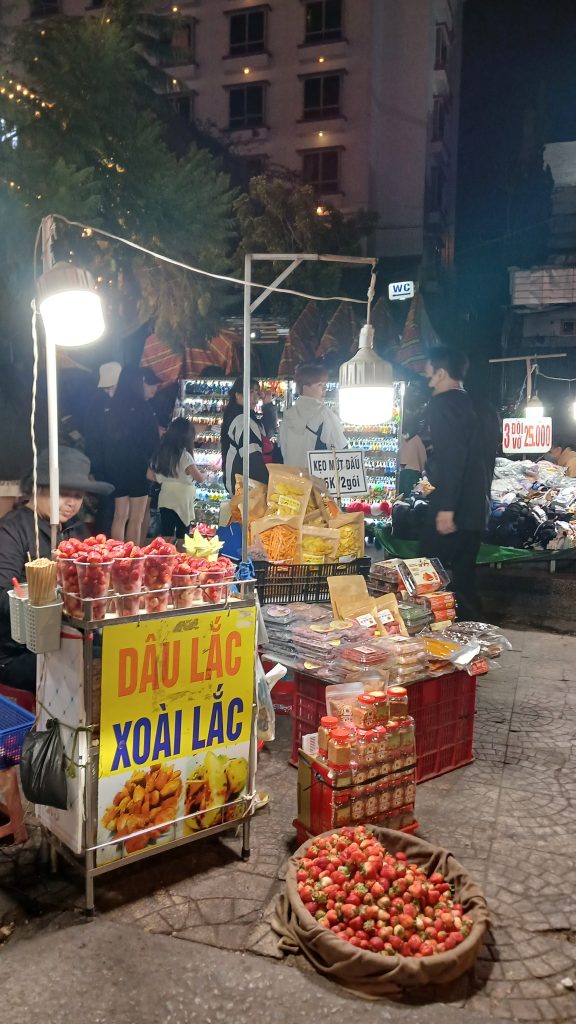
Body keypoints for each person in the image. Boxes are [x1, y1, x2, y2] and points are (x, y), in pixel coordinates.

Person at [0, 447, 113, 694]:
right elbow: (3, 596)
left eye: (78, 494)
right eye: (63, 492)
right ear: (39, 487)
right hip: (16, 653)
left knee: (113, 655)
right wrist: (53, 605)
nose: (71, 503)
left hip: (68, 638)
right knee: (92, 666)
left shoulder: (77, 532)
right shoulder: (12, 530)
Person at [419, 346, 492, 620]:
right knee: (464, 579)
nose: (426, 374)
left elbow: (452, 458)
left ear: (440, 373)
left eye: (428, 369)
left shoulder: (442, 404)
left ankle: (425, 637)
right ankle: (471, 637)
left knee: (421, 571)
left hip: (454, 506)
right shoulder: (479, 405)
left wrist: (446, 508)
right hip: (475, 506)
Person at [100, 365, 159, 543]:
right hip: (138, 467)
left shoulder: (112, 406)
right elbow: (152, 441)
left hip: (115, 467)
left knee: (120, 517)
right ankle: (132, 561)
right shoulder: (143, 407)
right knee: (136, 518)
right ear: (137, 382)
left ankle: (118, 557)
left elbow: (105, 439)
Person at [279, 363, 347, 470]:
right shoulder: (324, 414)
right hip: (317, 482)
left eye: (325, 385)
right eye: (320, 385)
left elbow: (281, 448)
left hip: (292, 481)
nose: (325, 389)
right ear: (305, 387)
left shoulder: (288, 415)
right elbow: (342, 450)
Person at [149, 418, 206, 542]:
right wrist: (206, 474)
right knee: (182, 537)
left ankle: (165, 558)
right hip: (183, 500)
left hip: (165, 496)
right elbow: (199, 479)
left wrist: (163, 478)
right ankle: (180, 559)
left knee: (166, 534)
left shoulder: (161, 453)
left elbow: (149, 475)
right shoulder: (185, 456)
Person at [84, 361, 122, 535]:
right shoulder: (98, 404)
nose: (109, 391)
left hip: (110, 465)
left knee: (111, 509)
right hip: (103, 466)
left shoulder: (109, 402)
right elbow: (93, 439)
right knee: (108, 508)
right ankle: (103, 544)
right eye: (106, 388)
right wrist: (94, 468)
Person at [221, 377, 269, 496]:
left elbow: (266, 433)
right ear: (238, 395)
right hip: (245, 487)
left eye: (257, 392)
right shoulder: (241, 421)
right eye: (250, 392)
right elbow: (252, 458)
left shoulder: (244, 416)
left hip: (243, 484)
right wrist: (267, 485)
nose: (255, 397)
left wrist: (267, 404)